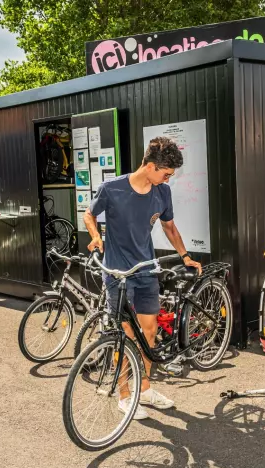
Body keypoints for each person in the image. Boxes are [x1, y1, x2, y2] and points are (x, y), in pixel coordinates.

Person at [84, 136, 202, 420]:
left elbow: (169, 227)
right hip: (117, 273)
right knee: (124, 337)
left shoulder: (162, 192)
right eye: (166, 173)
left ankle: (145, 388)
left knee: (148, 331)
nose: (168, 179)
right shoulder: (112, 189)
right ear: (150, 166)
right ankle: (125, 396)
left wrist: (185, 256)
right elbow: (89, 214)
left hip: (147, 270)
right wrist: (96, 236)